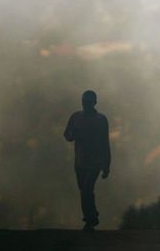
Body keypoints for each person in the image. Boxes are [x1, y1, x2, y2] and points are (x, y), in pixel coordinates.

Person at [64, 90, 111, 231]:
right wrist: (73, 134)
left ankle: (90, 220)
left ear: (94, 103)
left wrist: (106, 165)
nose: (85, 104)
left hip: (95, 162)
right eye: (84, 101)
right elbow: (67, 134)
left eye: (88, 102)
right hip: (80, 162)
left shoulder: (101, 120)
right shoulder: (76, 117)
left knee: (86, 190)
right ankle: (92, 215)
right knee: (84, 191)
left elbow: (105, 143)